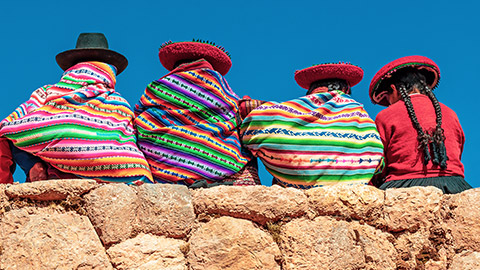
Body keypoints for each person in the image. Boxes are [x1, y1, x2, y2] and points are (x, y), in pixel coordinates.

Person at [0, 33, 153, 184]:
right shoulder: (120, 103)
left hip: (56, 177)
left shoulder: (47, 94)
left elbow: (9, 129)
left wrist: (31, 165)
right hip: (125, 175)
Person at [134, 39, 260, 187]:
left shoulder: (159, 88)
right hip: (222, 169)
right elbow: (237, 112)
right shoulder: (218, 86)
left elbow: (138, 116)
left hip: (165, 175)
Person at [240, 62, 384, 189]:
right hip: (350, 192)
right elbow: (378, 159)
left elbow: (254, 114)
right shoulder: (358, 114)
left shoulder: (288, 113)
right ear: (346, 90)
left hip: (294, 196)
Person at [368, 55, 471, 194]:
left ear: (394, 88)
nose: (389, 103)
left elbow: (378, 162)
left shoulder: (386, 116)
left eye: (387, 97)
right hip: (454, 185)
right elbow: (457, 152)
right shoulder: (450, 113)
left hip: (403, 185)